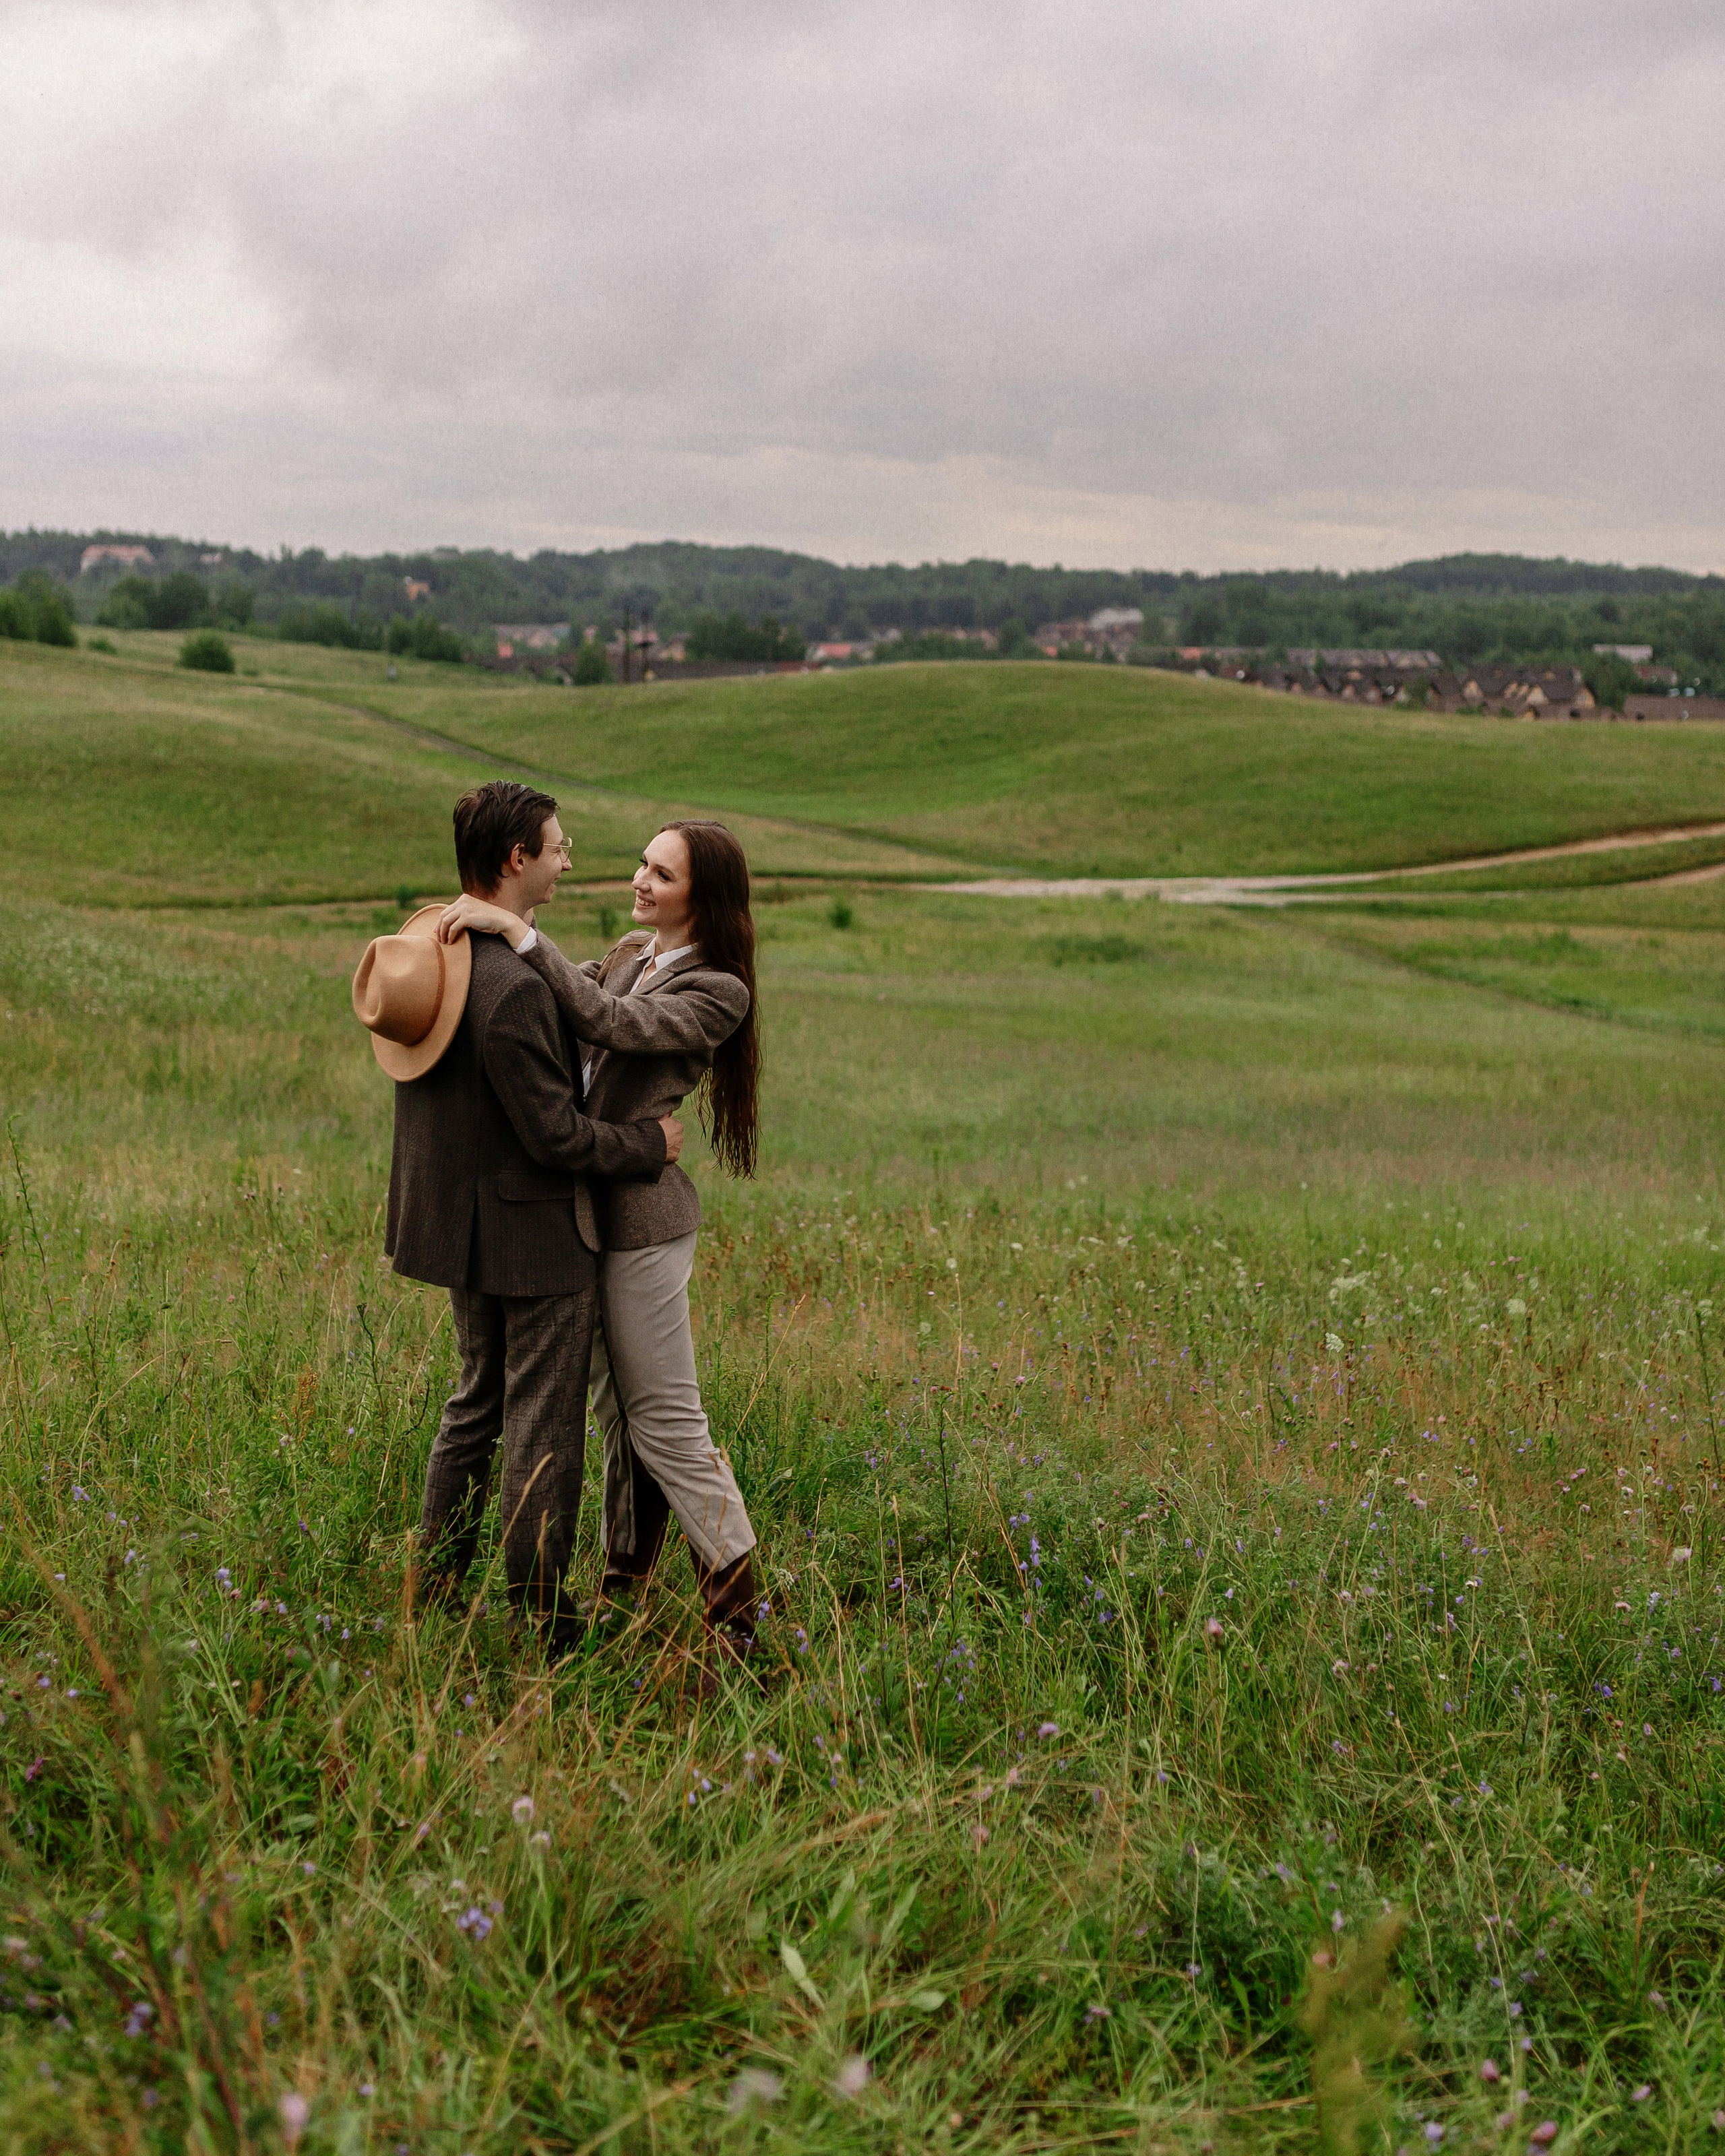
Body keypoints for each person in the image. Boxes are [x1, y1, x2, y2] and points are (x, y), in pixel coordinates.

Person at [352, 780, 680, 1653]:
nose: (568, 860)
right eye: (558, 847)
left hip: (461, 1230)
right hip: (533, 1238)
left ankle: (436, 1584)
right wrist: (649, 1143)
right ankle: (542, 1615)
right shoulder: (513, 991)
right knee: (543, 1424)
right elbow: (558, 1137)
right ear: (516, 859)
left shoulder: (441, 956)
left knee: (475, 1403)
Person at [439, 819, 764, 1678]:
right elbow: (553, 1002)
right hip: (586, 1212)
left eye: (663, 874)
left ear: (704, 896)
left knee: (667, 1420)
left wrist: (516, 928)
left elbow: (608, 1021)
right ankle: (626, 1585)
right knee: (620, 1414)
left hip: (645, 1224)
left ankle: (742, 1621)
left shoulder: (719, 989)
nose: (641, 881)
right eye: (642, 864)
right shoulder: (629, 950)